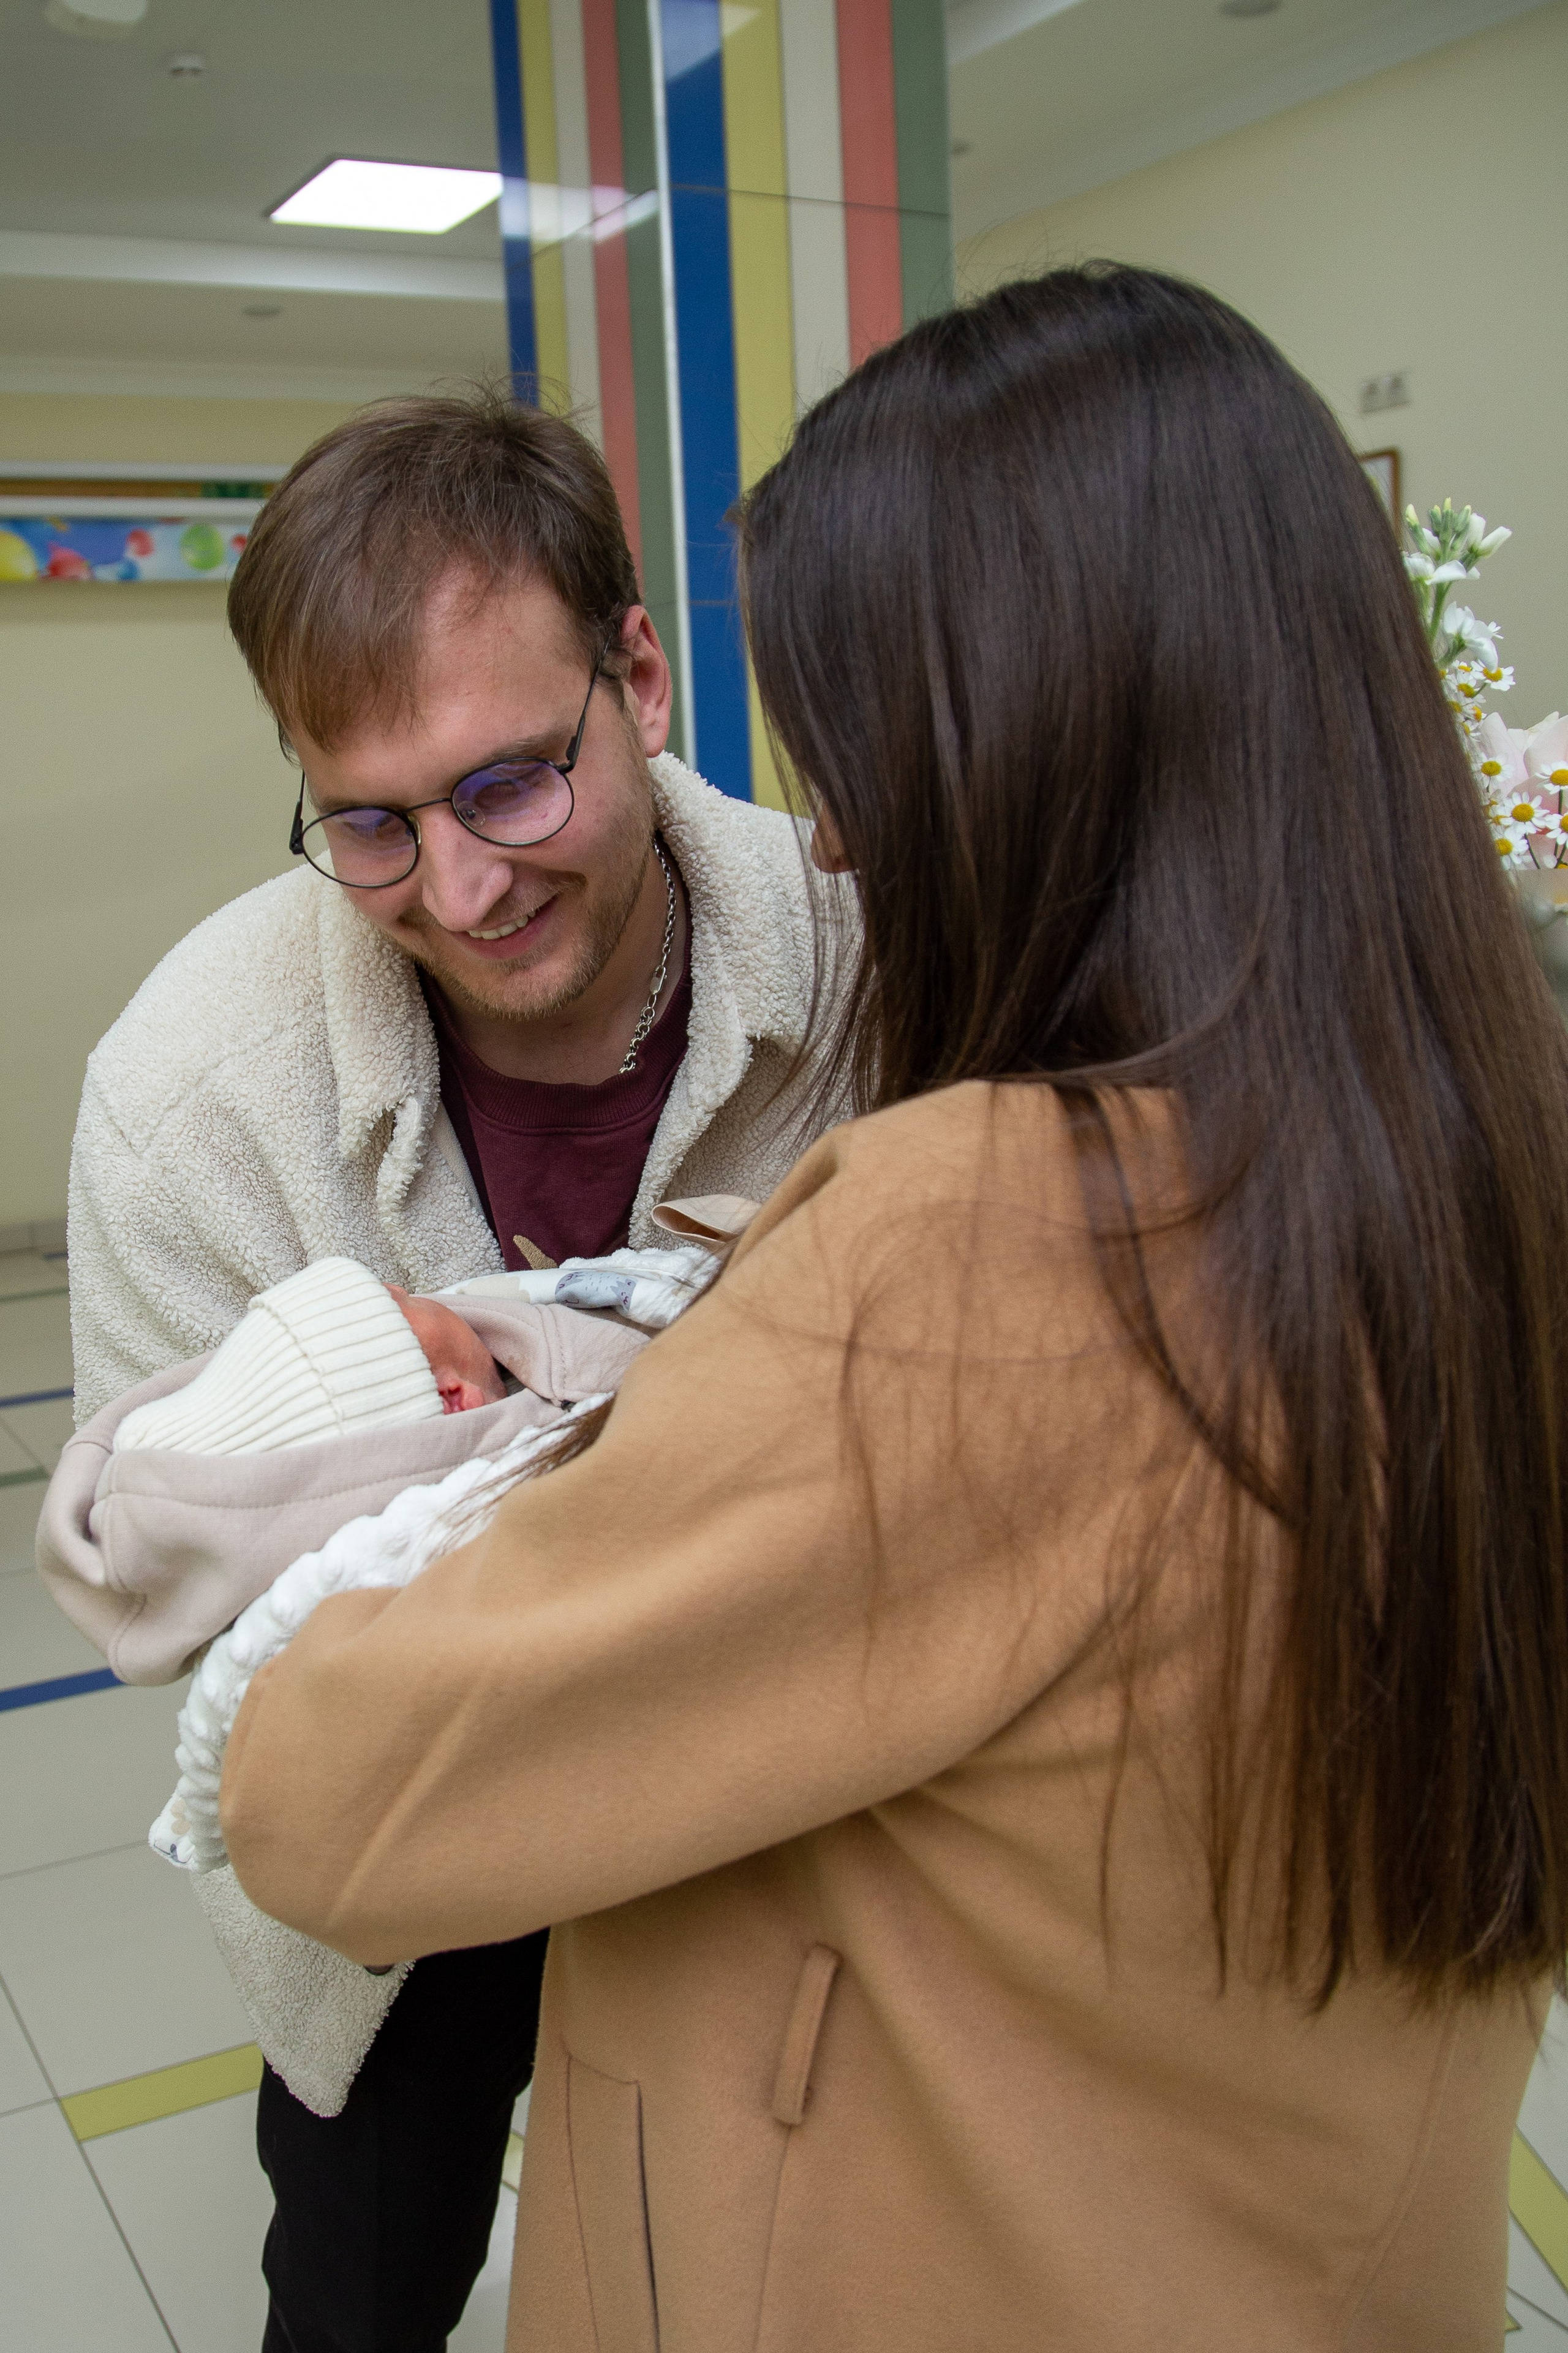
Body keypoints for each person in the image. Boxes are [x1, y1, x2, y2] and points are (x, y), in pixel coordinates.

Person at [217, 263, 1568, 2351]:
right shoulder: (1483, 1143)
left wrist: (539, 1439)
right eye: (376, 823)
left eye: (865, 752)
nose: (835, 837)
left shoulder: (990, 1235)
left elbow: (325, 1787)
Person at [64, 390, 849, 2351]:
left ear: (642, 676)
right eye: (373, 825)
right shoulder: (186, 1094)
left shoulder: (865, 956)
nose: (467, 887)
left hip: (786, 1779)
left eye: (512, 784)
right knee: (357, 2270)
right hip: (412, 1839)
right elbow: (171, 1586)